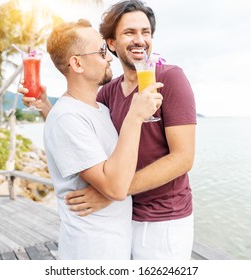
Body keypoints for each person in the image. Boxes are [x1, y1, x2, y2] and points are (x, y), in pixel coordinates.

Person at [21, 0, 196, 260]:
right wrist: (49, 107)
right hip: (121, 223)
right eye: (129, 32)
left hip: (161, 220)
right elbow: (77, 129)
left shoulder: (170, 78)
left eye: (145, 32)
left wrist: (114, 192)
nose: (140, 40)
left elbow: (183, 158)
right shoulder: (107, 93)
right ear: (111, 44)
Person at [40, 19, 163, 260]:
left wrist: (45, 106)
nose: (109, 58)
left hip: (113, 247)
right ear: (77, 63)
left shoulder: (99, 110)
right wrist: (135, 116)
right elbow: (116, 188)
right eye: (101, 51)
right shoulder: (66, 117)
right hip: (90, 253)